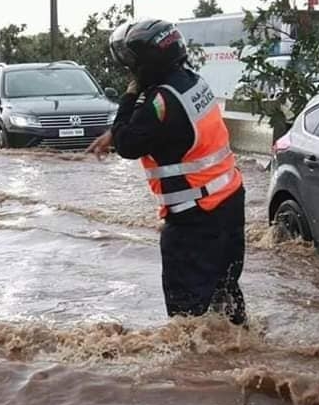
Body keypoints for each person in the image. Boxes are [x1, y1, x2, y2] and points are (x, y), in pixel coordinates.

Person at [86, 19, 247, 326]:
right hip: (228, 203)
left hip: (195, 218)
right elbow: (154, 128)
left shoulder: (159, 101)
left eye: (133, 66)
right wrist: (117, 131)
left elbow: (128, 143)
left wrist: (130, 95)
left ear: (147, 64)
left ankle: (193, 373)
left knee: (187, 317)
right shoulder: (190, 82)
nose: (130, 72)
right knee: (225, 297)